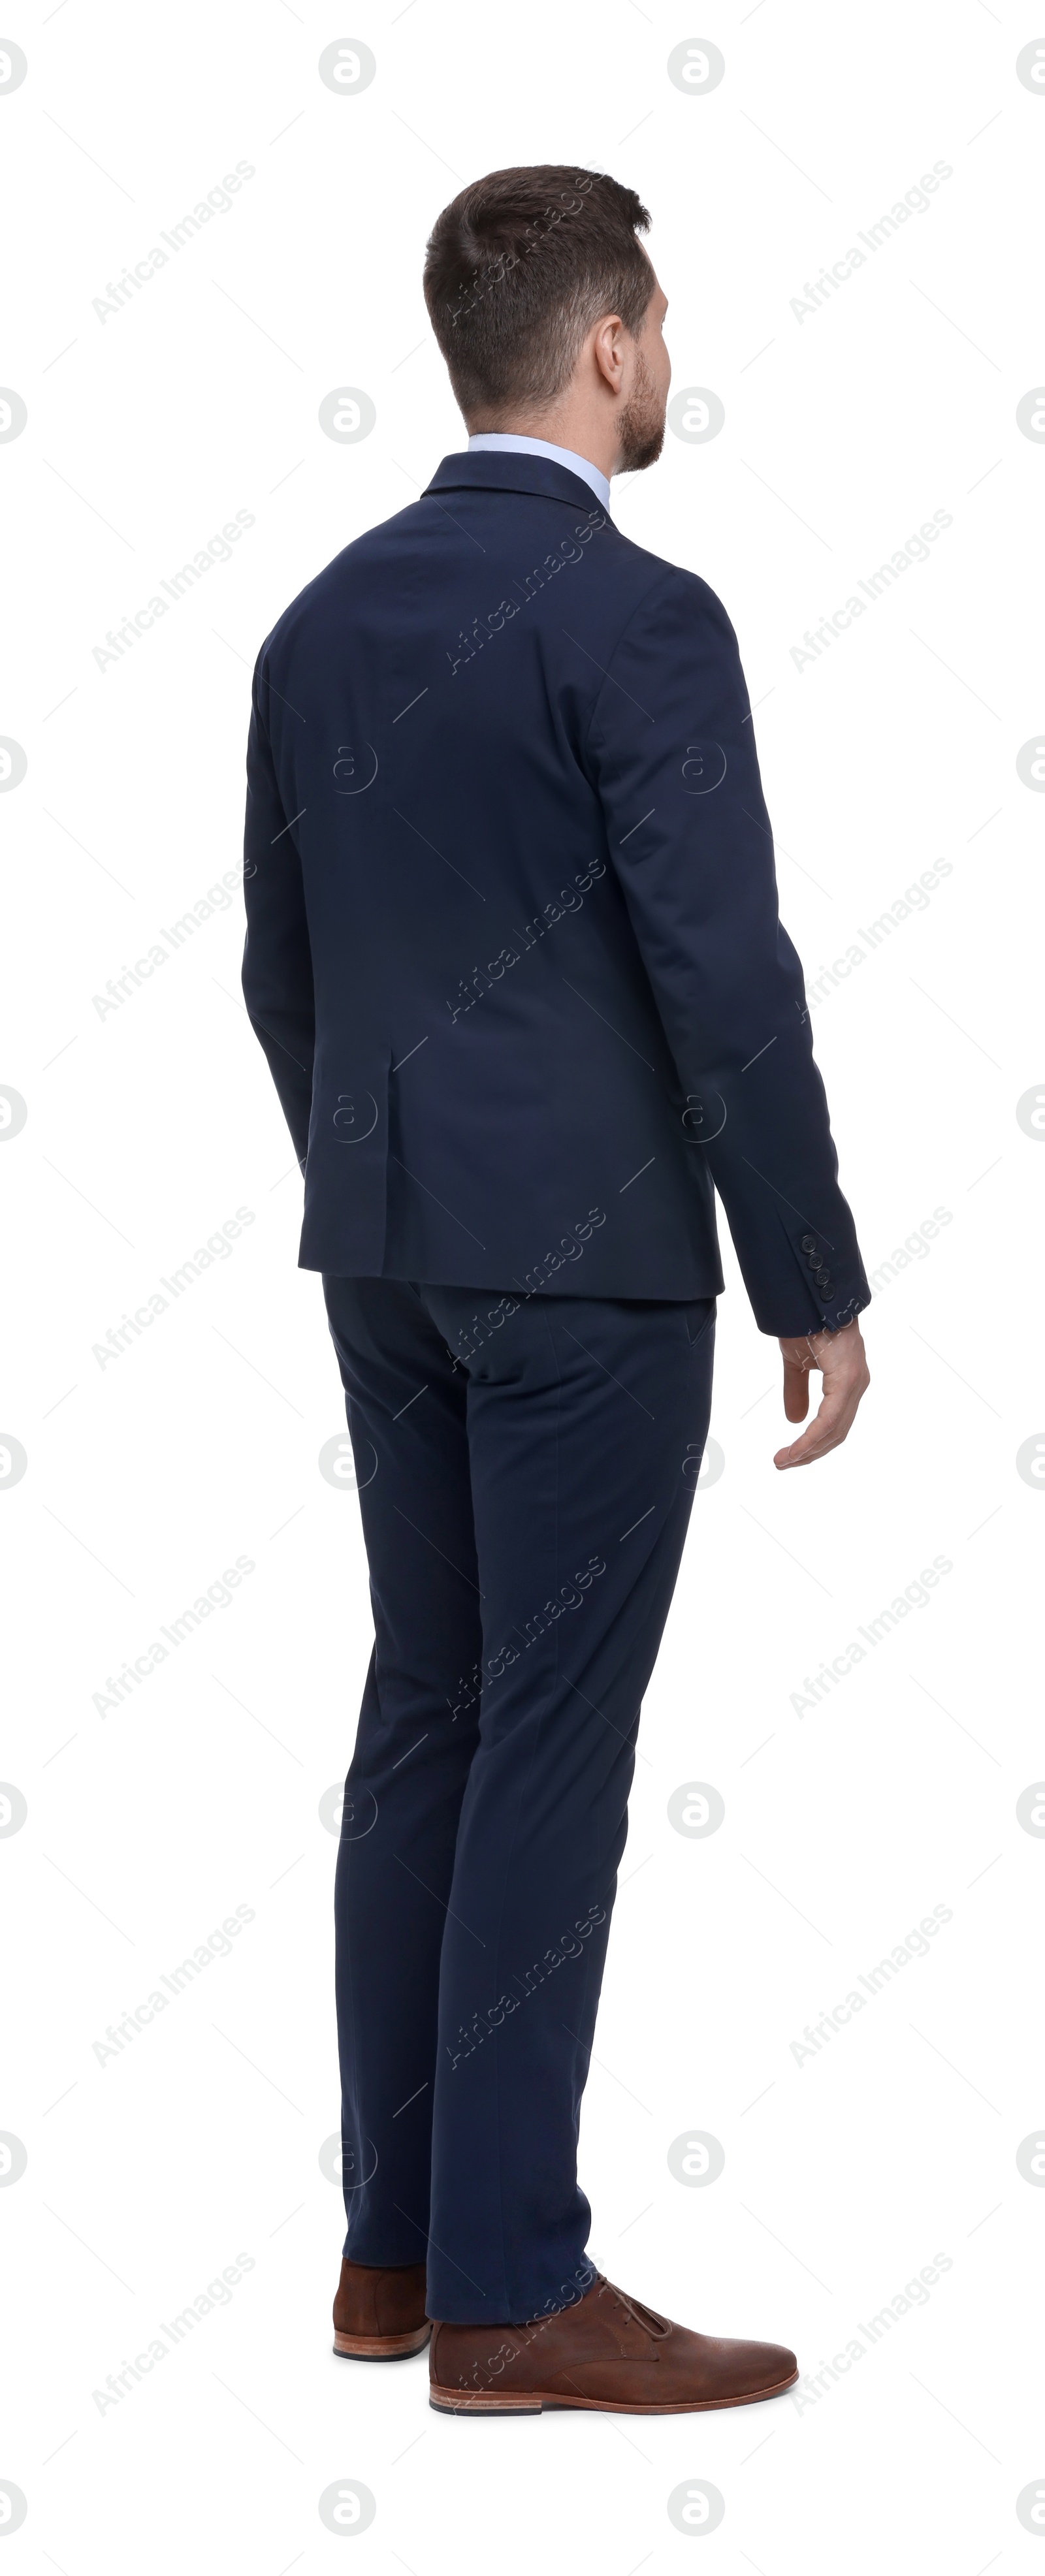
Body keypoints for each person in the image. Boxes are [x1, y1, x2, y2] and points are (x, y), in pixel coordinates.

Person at [241, 163, 871, 2417]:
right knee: (545, 1747)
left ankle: (391, 2255)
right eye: (662, 333)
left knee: (426, 1714)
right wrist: (808, 1265)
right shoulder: (637, 618)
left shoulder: (317, 620)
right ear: (608, 345)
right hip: (592, 1273)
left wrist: (392, 1178)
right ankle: (515, 2282)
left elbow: (279, 972)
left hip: (389, 1251)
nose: (665, 367)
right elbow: (726, 976)